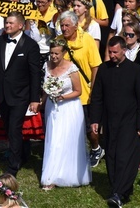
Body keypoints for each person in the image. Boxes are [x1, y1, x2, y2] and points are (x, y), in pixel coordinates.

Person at [89, 37, 140, 208]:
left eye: (115, 52)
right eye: (110, 52)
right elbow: (97, 96)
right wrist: (95, 119)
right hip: (109, 120)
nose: (112, 55)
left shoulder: (136, 70)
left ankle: (118, 193)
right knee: (112, 155)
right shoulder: (104, 69)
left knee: (125, 156)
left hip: (129, 121)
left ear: (124, 50)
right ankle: (118, 188)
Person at [0, 12, 41, 176]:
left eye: (10, 23)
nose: (7, 25)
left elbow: (35, 74)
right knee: (10, 128)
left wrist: (34, 98)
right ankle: (23, 153)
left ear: (20, 25)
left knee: (14, 128)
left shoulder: (30, 45)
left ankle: (12, 168)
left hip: (20, 95)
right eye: (6, 23)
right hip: (2, 93)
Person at [40, 38, 90, 190]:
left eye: (56, 54)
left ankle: (65, 173)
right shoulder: (47, 65)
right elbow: (45, 87)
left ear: (64, 53)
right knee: (53, 139)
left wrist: (62, 96)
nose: (53, 57)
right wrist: (42, 101)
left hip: (69, 107)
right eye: (51, 53)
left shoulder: (71, 68)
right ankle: (51, 174)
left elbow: (78, 91)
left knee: (65, 140)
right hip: (52, 106)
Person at [58, 11, 104, 168]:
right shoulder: (59, 41)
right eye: (62, 25)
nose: (64, 29)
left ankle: (96, 148)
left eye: (67, 25)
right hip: (65, 92)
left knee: (88, 128)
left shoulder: (87, 40)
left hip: (85, 92)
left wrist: (95, 89)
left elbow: (95, 66)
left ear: (76, 25)